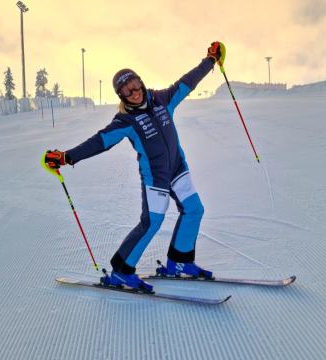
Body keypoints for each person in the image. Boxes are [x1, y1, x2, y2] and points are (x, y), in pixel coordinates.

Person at [45, 42, 225, 292]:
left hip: (177, 168)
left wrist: (210, 60)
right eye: (128, 91)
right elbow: (99, 142)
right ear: (121, 96)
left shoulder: (163, 99)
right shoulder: (125, 121)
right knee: (151, 222)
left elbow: (189, 81)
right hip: (156, 179)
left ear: (141, 82)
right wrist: (66, 157)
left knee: (194, 209)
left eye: (136, 85)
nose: (135, 92)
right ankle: (120, 271)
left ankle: (180, 262)